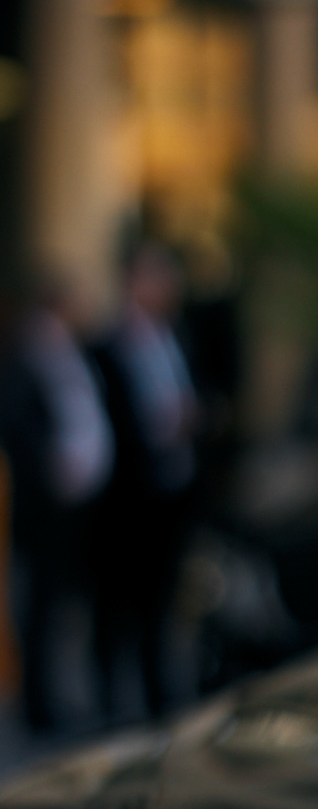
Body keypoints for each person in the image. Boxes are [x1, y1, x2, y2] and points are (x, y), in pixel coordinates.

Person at [89, 240, 200, 720]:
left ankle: (160, 701)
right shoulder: (104, 347)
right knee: (116, 608)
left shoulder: (177, 337)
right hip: (124, 500)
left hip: (171, 492)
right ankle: (110, 702)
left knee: (162, 605)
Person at [0, 276, 114, 734]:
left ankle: (52, 696)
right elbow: (18, 425)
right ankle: (37, 703)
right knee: (40, 607)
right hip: (43, 503)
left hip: (76, 501)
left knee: (62, 605)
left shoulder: (72, 352)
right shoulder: (28, 355)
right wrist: (51, 470)